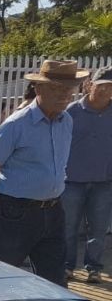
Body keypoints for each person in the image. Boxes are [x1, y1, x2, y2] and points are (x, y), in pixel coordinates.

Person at [0, 59, 88, 286]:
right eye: (56, 88)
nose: (65, 94)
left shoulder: (66, 121)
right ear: (39, 89)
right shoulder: (16, 125)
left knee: (55, 280)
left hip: (54, 210)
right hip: (15, 212)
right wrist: (3, 209)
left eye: (69, 88)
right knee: (1, 279)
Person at [62, 66, 112, 284]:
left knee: (98, 229)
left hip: (104, 182)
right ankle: (67, 266)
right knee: (68, 227)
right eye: (102, 86)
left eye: (110, 87)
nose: (106, 91)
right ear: (90, 85)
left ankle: (94, 268)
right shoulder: (71, 112)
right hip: (72, 181)